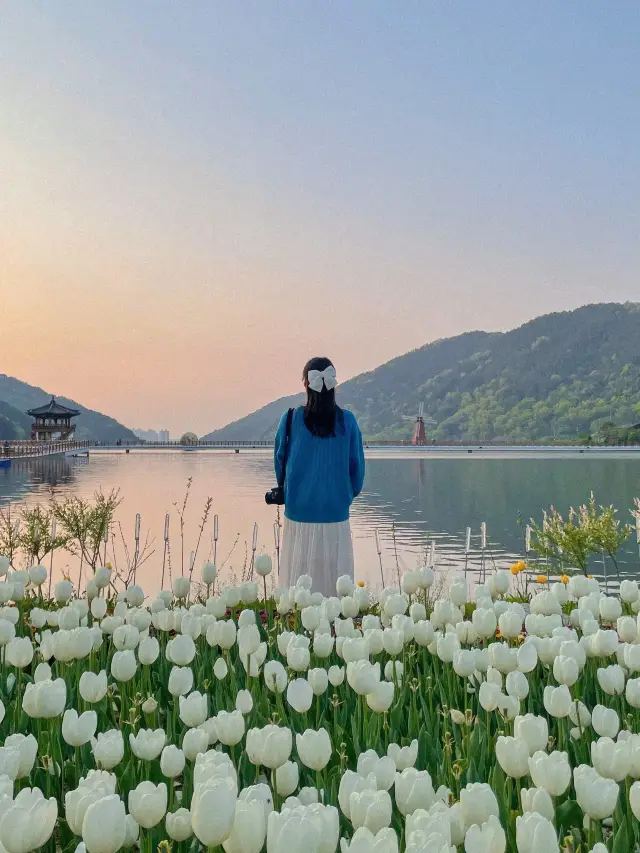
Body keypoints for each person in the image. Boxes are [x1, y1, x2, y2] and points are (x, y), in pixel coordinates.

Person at [274, 356, 365, 596]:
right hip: (335, 510)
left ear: (306, 384)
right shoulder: (347, 421)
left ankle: (296, 626)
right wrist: (344, 496)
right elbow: (357, 468)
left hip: (299, 509)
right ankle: (336, 628)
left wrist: (292, 492)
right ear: (334, 384)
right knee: (336, 582)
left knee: (299, 581)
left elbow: (280, 461)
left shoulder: (291, 419)